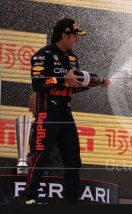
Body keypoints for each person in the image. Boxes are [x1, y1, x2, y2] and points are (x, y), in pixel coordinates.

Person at [25, 18, 109, 204]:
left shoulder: (72, 58)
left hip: (65, 111)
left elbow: (75, 85)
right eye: (74, 36)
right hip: (47, 111)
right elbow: (38, 84)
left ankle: (70, 202)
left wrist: (96, 82)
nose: (76, 39)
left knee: (73, 159)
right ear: (64, 35)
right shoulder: (43, 54)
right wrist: (62, 79)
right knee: (41, 155)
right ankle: (30, 198)